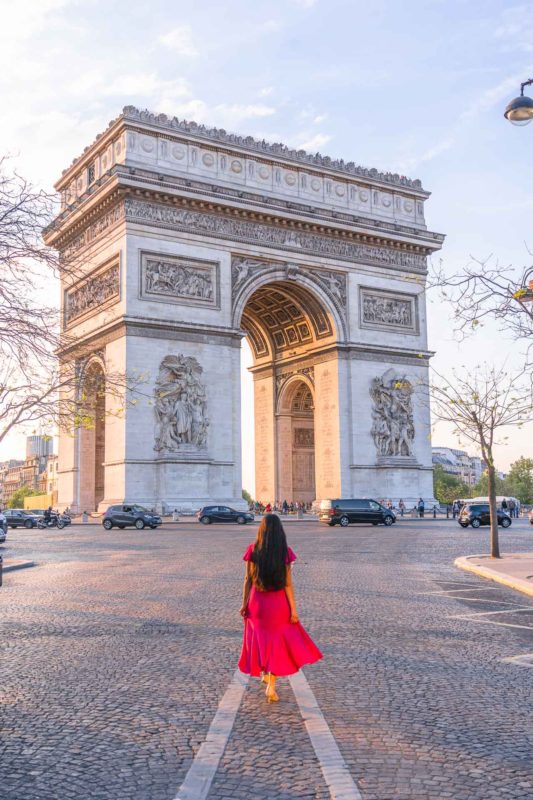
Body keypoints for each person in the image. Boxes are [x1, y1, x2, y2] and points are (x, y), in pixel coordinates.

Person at [238, 514, 322, 703]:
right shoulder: (285, 552)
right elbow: (288, 584)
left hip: (257, 603)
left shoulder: (252, 550)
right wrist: (293, 610)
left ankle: (265, 673)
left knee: (260, 641)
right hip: (278, 605)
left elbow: (248, 580)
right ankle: (271, 686)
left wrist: (244, 604)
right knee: (276, 645)